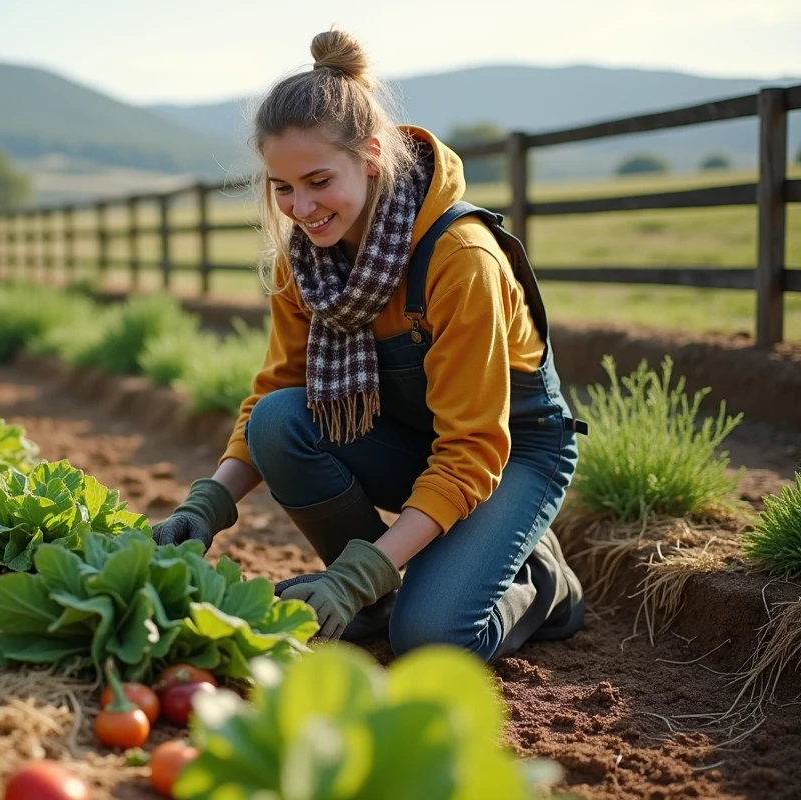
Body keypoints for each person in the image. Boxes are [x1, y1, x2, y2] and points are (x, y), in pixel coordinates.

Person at [152, 29, 588, 663]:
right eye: (282, 186)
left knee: (433, 639)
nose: (300, 206)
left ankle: (544, 581)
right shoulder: (303, 263)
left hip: (509, 452)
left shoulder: (460, 259)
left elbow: (474, 447)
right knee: (280, 422)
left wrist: (360, 570)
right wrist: (210, 502)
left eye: (318, 180)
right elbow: (277, 392)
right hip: (413, 435)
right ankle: (377, 599)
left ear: (373, 156)